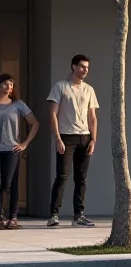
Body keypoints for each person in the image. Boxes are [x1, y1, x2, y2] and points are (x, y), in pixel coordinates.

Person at [47, 54, 99, 227]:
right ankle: (54, 215)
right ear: (73, 67)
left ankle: (79, 216)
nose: (85, 70)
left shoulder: (89, 89)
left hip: (84, 137)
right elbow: (53, 114)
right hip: (66, 137)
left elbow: (93, 117)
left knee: (81, 178)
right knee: (61, 177)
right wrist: (57, 138)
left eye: (87, 67)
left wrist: (93, 139)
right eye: (82, 66)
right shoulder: (60, 87)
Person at [0, 74, 39, 230]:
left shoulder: (18, 105)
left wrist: (24, 144)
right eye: (5, 84)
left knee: (8, 183)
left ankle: (13, 217)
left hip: (11, 149)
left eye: (11, 84)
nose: (9, 87)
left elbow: (35, 123)